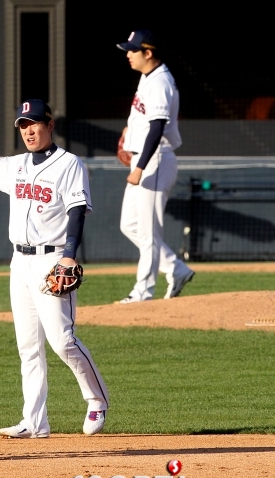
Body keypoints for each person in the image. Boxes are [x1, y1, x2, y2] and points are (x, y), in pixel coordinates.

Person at [0, 99, 109, 438]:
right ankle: (34, 422)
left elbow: (77, 209)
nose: (28, 130)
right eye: (23, 125)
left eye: (34, 123)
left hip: (52, 259)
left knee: (63, 341)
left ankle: (97, 399)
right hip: (20, 261)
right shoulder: (18, 165)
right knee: (28, 346)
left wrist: (69, 256)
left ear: (49, 124)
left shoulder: (69, 164)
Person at [116, 30, 194, 304]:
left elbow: (158, 127)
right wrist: (130, 130)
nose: (128, 54)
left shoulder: (160, 81)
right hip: (144, 158)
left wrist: (140, 167)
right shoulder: (148, 76)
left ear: (148, 53)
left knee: (149, 230)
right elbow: (145, 116)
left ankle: (143, 291)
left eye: (132, 50)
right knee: (129, 224)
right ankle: (176, 268)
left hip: (155, 159)